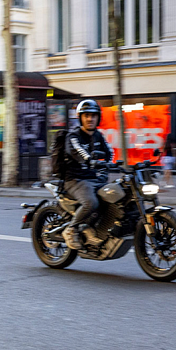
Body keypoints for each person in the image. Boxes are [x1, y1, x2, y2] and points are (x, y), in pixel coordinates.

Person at [61, 100, 112, 250]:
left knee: (113, 197)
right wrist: (90, 160)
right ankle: (71, 230)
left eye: (93, 115)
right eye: (86, 115)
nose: (90, 119)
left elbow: (110, 152)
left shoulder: (98, 135)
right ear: (80, 118)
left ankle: (93, 227)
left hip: (93, 178)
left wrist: (112, 164)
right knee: (91, 203)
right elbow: (78, 151)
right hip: (75, 179)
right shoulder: (73, 136)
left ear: (98, 118)